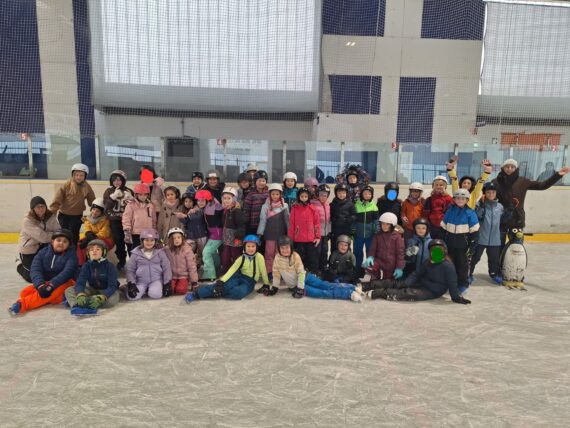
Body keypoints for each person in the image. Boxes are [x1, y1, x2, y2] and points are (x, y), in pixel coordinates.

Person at [362, 239, 471, 304]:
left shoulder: (448, 266)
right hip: (422, 283)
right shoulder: (428, 261)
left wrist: (456, 298)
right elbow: (417, 273)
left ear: (444, 252)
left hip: (433, 291)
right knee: (399, 283)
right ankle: (367, 286)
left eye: (439, 251)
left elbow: (452, 284)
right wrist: (408, 282)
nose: (436, 254)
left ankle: (379, 293)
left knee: (409, 293)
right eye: (434, 251)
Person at [492, 159, 569, 245]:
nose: (509, 169)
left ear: (516, 169)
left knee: (516, 248)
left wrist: (557, 175)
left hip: (517, 221)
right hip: (500, 220)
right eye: (507, 166)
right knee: (497, 248)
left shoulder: (523, 181)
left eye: (512, 167)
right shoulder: (495, 182)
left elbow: (542, 185)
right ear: (503, 168)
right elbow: (487, 195)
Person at [8, 229, 78, 316]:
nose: (61, 243)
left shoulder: (71, 256)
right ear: (52, 241)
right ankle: (62, 298)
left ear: (69, 244)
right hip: (47, 282)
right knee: (25, 292)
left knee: (47, 293)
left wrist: (51, 286)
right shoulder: (42, 252)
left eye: (65, 241)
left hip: (65, 283)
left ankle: (22, 305)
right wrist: (40, 285)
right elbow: (35, 269)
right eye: (58, 240)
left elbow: (67, 273)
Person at [272, 236, 362, 302]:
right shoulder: (277, 258)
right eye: (282, 248)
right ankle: (349, 294)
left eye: (287, 247)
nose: (285, 250)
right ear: (279, 249)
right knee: (320, 293)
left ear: (291, 247)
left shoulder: (295, 256)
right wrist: (275, 287)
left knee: (324, 285)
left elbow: (301, 272)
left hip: (305, 278)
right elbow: (276, 273)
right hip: (296, 286)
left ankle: (351, 288)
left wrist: (300, 288)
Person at [185, 235, 270, 302]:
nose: (250, 249)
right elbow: (232, 270)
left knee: (239, 293)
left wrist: (266, 284)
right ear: (244, 247)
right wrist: (221, 281)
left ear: (257, 247)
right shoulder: (241, 258)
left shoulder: (259, 257)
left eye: (253, 246)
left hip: (249, 281)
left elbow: (263, 270)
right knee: (224, 286)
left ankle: (216, 293)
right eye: (248, 246)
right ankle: (196, 294)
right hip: (238, 276)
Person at [65, 240, 120, 316]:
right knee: (69, 290)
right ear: (88, 253)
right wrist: (80, 294)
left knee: (112, 302)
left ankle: (89, 302)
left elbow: (112, 286)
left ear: (104, 252)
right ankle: (76, 305)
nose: (94, 251)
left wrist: (102, 297)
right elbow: (80, 282)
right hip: (92, 288)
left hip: (106, 289)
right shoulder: (86, 266)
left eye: (98, 249)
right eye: (91, 250)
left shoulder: (110, 266)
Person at [441, 189, 479, 294]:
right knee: (450, 264)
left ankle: (463, 284)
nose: (460, 200)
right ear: (454, 199)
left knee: (462, 266)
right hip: (450, 243)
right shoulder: (450, 211)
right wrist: (442, 242)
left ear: (467, 200)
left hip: (463, 245)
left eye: (463, 198)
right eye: (457, 198)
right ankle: (451, 283)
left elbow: (475, 232)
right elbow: (443, 227)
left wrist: (472, 246)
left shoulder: (470, 213)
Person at [17, 196, 60, 282]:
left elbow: (58, 231)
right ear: (33, 209)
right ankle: (19, 265)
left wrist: (58, 236)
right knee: (31, 277)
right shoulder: (27, 220)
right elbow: (42, 237)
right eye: (38, 207)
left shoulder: (50, 216)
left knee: (48, 273)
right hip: (29, 249)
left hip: (44, 247)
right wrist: (55, 235)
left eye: (42, 206)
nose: (40, 209)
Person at [49, 163, 95, 244]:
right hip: (64, 216)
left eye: (81, 175)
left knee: (74, 236)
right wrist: (51, 213)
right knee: (64, 235)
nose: (79, 177)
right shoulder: (66, 185)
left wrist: (96, 209)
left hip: (77, 216)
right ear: (73, 175)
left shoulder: (87, 187)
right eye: (76, 175)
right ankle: (64, 250)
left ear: (85, 176)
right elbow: (57, 200)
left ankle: (73, 250)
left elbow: (92, 201)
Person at [471, 182, 505, 284]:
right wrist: (481, 207)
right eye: (488, 192)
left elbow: (502, 221)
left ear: (496, 193)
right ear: (484, 193)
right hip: (481, 237)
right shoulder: (479, 204)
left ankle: (494, 274)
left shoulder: (500, 206)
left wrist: (508, 214)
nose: (491, 194)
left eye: (493, 192)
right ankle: (468, 273)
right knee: (475, 257)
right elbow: (477, 217)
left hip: (495, 239)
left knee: (494, 259)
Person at [125, 229, 172, 301]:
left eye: (152, 240)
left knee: (156, 295)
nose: (149, 243)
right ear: (142, 241)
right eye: (146, 240)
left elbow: (166, 267)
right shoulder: (136, 253)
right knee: (133, 297)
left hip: (156, 280)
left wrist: (167, 283)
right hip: (141, 281)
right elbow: (130, 270)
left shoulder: (160, 252)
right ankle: (126, 288)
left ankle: (149, 289)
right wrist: (131, 283)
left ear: (155, 241)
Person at [102, 169, 134, 269]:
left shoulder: (128, 191)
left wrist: (132, 199)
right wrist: (113, 197)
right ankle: (121, 260)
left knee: (130, 242)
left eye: (119, 180)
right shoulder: (108, 191)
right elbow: (106, 207)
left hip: (128, 221)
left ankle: (133, 262)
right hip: (115, 221)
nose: (117, 182)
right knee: (119, 242)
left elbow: (136, 207)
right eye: (114, 180)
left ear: (123, 181)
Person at [257, 183, 289, 277]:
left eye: (277, 194)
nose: (275, 196)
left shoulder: (285, 206)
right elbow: (263, 220)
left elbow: (287, 220)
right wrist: (260, 232)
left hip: (281, 234)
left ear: (280, 195)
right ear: (269, 194)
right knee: (269, 253)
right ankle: (269, 272)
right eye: (273, 194)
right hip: (269, 234)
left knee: (279, 253)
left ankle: (279, 272)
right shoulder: (265, 206)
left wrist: (289, 232)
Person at [362, 212, 405, 280]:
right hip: (379, 262)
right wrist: (370, 257)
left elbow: (400, 254)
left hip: (391, 264)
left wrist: (399, 267)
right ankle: (373, 280)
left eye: (387, 224)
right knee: (370, 268)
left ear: (392, 225)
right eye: (383, 224)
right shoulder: (377, 235)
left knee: (387, 281)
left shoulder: (397, 237)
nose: (384, 226)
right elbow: (373, 249)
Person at [288, 187, 321, 274]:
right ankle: (300, 274)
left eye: (306, 196)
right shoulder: (295, 208)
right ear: (298, 197)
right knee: (299, 258)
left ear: (309, 197)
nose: (304, 198)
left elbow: (317, 223)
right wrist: (290, 238)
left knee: (312, 258)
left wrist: (317, 236)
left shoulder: (312, 208)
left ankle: (313, 273)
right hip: (299, 239)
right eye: (302, 196)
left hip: (311, 239)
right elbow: (291, 224)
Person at [76, 198, 114, 266]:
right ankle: (81, 264)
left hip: (104, 239)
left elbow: (105, 233)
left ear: (101, 213)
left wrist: (92, 238)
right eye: (93, 209)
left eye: (97, 211)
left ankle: (96, 264)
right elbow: (86, 229)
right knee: (80, 244)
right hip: (90, 237)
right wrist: (87, 234)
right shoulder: (88, 219)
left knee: (96, 245)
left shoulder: (105, 220)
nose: (94, 212)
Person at [197, 189, 224, 282]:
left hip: (217, 234)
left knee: (206, 252)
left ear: (207, 200)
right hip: (213, 233)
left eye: (202, 200)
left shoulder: (214, 207)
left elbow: (220, 208)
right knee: (212, 253)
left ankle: (209, 274)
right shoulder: (208, 207)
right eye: (198, 200)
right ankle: (216, 268)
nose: (199, 202)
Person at [178, 193, 208, 272]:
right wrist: (181, 217)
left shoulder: (198, 209)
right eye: (186, 201)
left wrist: (186, 216)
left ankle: (202, 267)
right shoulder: (184, 210)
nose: (188, 203)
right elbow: (185, 222)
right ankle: (191, 266)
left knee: (202, 253)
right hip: (190, 236)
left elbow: (197, 217)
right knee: (188, 251)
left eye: (190, 201)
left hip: (201, 235)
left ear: (194, 202)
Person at [164, 227, 199, 295]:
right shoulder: (167, 250)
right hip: (172, 276)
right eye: (174, 238)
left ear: (182, 238)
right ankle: (174, 285)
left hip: (183, 276)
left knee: (180, 290)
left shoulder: (187, 250)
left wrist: (194, 282)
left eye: (179, 237)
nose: (176, 240)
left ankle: (185, 283)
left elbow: (192, 266)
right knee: (170, 290)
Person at [122, 183, 156, 249]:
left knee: (147, 250)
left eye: (145, 194)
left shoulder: (151, 205)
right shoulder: (131, 205)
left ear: (148, 195)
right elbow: (126, 218)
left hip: (148, 233)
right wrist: (127, 231)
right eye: (140, 194)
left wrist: (154, 230)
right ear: (136, 195)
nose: (143, 197)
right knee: (136, 250)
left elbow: (153, 220)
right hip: (136, 233)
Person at [220, 187, 246, 273]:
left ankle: (237, 272)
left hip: (235, 238)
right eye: (224, 198)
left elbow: (241, 225)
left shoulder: (236, 210)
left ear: (234, 199)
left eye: (229, 198)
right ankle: (226, 271)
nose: (226, 200)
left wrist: (238, 237)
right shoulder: (226, 210)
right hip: (227, 237)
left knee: (236, 255)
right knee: (226, 255)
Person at [353, 185, 379, 271]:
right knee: (357, 252)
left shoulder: (373, 206)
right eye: (365, 193)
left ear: (372, 195)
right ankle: (357, 267)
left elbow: (376, 221)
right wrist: (353, 230)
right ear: (361, 194)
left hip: (370, 235)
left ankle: (370, 267)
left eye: (369, 194)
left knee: (370, 252)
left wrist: (377, 230)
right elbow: (353, 220)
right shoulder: (356, 205)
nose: (367, 195)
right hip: (358, 234)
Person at [423, 175, 453, 239]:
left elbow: (451, 213)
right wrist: (427, 224)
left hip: (444, 226)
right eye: (436, 185)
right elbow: (425, 213)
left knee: (442, 243)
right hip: (431, 226)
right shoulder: (429, 199)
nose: (438, 186)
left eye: (441, 185)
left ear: (445, 186)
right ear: (433, 186)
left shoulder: (449, 199)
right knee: (432, 242)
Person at [310, 183, 332, 273]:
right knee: (317, 252)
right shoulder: (313, 205)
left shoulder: (328, 205)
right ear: (317, 195)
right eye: (321, 195)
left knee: (325, 251)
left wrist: (329, 231)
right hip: (317, 234)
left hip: (326, 233)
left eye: (325, 195)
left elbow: (329, 220)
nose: (323, 197)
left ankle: (323, 268)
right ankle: (315, 269)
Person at [243, 170, 269, 236]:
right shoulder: (251, 193)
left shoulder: (269, 192)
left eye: (263, 181)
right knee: (254, 240)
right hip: (254, 224)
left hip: (267, 223)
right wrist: (246, 222)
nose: (261, 183)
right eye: (259, 181)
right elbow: (247, 209)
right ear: (255, 181)